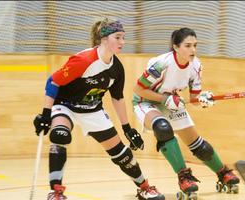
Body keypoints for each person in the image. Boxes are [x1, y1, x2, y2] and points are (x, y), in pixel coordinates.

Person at [33, 18, 165, 200]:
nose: (122, 42)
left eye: (123, 38)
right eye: (118, 37)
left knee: (122, 153)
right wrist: (45, 114)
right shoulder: (83, 60)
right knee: (60, 135)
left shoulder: (117, 68)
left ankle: (144, 187)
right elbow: (53, 81)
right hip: (65, 105)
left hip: (92, 110)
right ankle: (55, 192)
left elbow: (117, 98)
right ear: (103, 39)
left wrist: (127, 128)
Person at [132, 27, 240, 197]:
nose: (193, 50)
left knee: (199, 146)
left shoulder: (196, 65)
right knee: (163, 128)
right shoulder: (161, 64)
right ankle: (184, 176)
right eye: (188, 46)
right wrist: (164, 99)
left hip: (171, 101)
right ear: (175, 47)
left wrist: (204, 99)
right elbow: (138, 89)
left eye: (195, 45)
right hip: (146, 102)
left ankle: (223, 172)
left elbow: (194, 98)